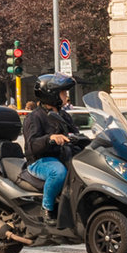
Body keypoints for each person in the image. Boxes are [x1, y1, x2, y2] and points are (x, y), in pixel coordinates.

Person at [20, 73, 84, 229]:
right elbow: (31, 146)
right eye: (63, 93)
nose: (66, 96)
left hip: (62, 157)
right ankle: (47, 209)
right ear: (51, 93)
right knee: (59, 173)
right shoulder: (35, 117)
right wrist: (50, 138)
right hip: (40, 161)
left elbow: (75, 133)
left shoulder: (63, 115)